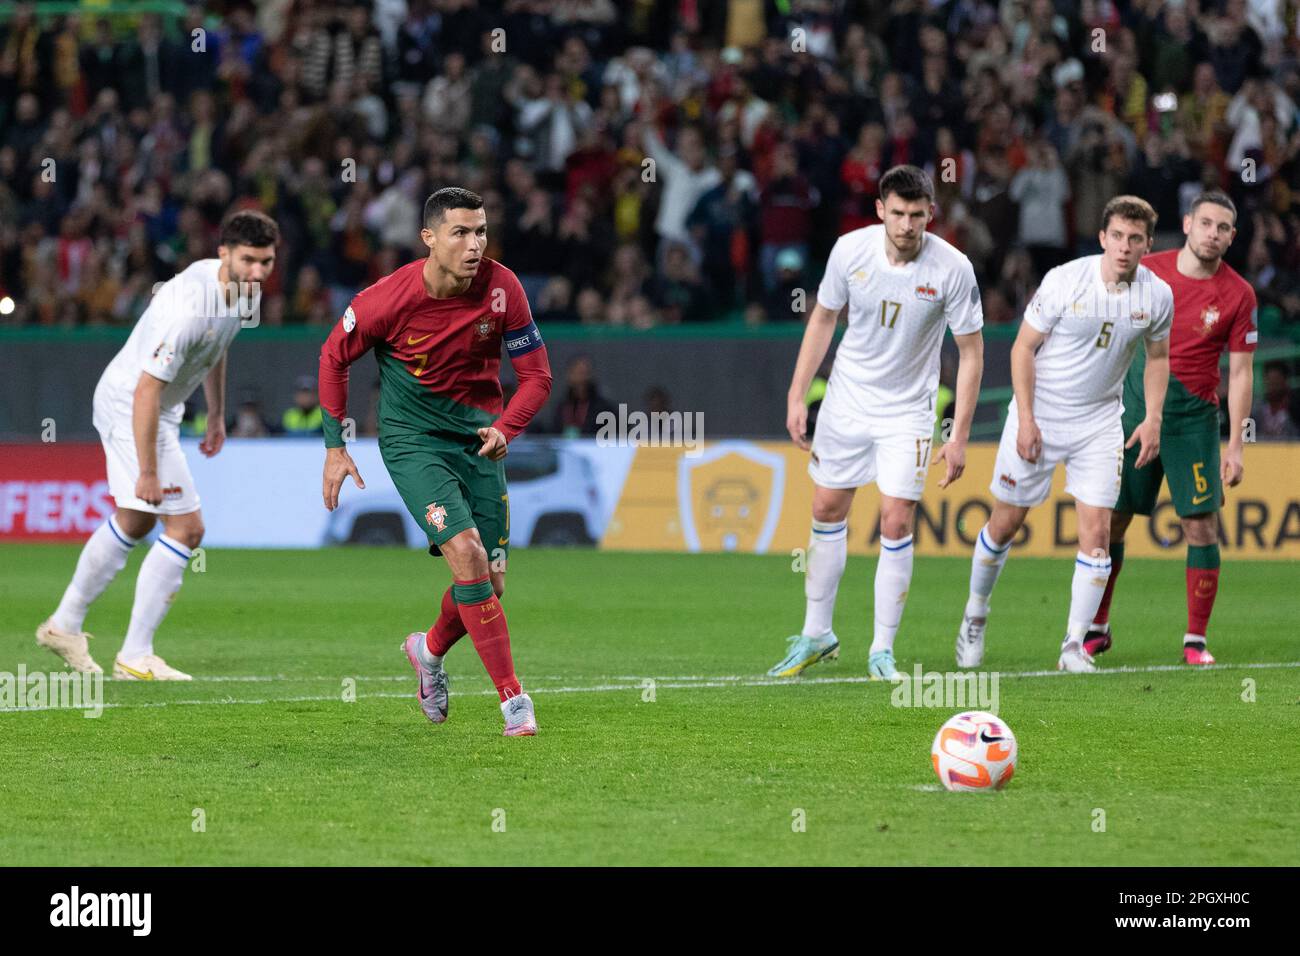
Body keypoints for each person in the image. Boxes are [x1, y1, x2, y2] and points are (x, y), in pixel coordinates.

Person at [318, 188, 552, 737]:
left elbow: (538, 377)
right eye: (461, 233)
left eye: (482, 232)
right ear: (429, 238)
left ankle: (427, 651)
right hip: (413, 441)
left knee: (489, 586)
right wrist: (335, 446)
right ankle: (513, 700)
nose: (475, 245)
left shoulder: (504, 288)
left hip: (478, 441)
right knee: (467, 553)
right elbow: (333, 356)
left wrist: (506, 428)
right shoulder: (387, 299)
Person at [37, 210, 279, 679]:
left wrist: (215, 412)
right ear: (223, 252)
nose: (258, 272)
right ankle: (135, 655)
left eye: (266, 262)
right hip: (132, 404)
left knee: (135, 519)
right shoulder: (190, 305)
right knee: (187, 529)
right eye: (249, 260)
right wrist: (148, 471)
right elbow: (147, 389)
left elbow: (218, 347)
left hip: (159, 407)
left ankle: (65, 625)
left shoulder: (243, 292)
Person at [770, 165, 985, 682]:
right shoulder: (850, 251)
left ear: (931, 214)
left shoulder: (953, 268)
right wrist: (798, 393)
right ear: (880, 211)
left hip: (909, 410)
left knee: (895, 519)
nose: (908, 225)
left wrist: (957, 435)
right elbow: (823, 319)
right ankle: (817, 633)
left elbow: (972, 354)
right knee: (825, 507)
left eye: (917, 215)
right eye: (898, 214)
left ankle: (881, 649)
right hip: (846, 400)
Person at [954, 195, 1173, 673]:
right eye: (1117, 236)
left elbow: (1158, 358)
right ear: (1102, 238)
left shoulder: (1157, 295)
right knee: (1006, 522)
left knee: (1096, 532)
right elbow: (1022, 349)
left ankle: (1073, 644)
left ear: (1148, 245)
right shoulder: (1064, 281)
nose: (1124, 247)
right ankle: (975, 612)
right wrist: (1027, 418)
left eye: (1135, 239)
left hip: (1099, 422)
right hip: (1042, 412)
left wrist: (1152, 416)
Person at [1090, 192, 1259, 665]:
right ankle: (1097, 626)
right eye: (1205, 223)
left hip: (1193, 422)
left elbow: (1242, 373)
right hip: (1137, 411)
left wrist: (1237, 445)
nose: (1213, 233)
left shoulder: (1239, 294)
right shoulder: (1148, 270)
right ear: (1187, 224)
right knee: (1112, 521)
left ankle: (1195, 641)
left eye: (1223, 228)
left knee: (1201, 526)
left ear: (1231, 237)